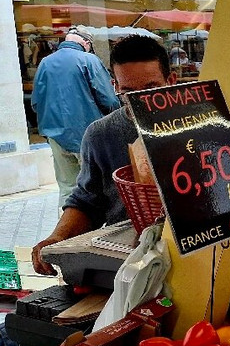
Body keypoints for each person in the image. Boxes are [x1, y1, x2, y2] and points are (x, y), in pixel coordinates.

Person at [31, 35, 176, 275]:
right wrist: (57, 237)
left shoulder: (198, 124)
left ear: (171, 81)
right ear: (115, 86)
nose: (138, 101)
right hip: (128, 260)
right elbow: (87, 201)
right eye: (128, 91)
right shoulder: (101, 134)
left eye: (151, 89)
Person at [30, 28, 119, 207]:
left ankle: (68, 232)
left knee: (67, 188)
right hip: (88, 134)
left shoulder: (45, 62)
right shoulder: (89, 60)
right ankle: (101, 231)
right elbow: (109, 99)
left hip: (56, 136)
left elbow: (36, 103)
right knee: (101, 187)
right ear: (86, 43)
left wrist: (48, 131)